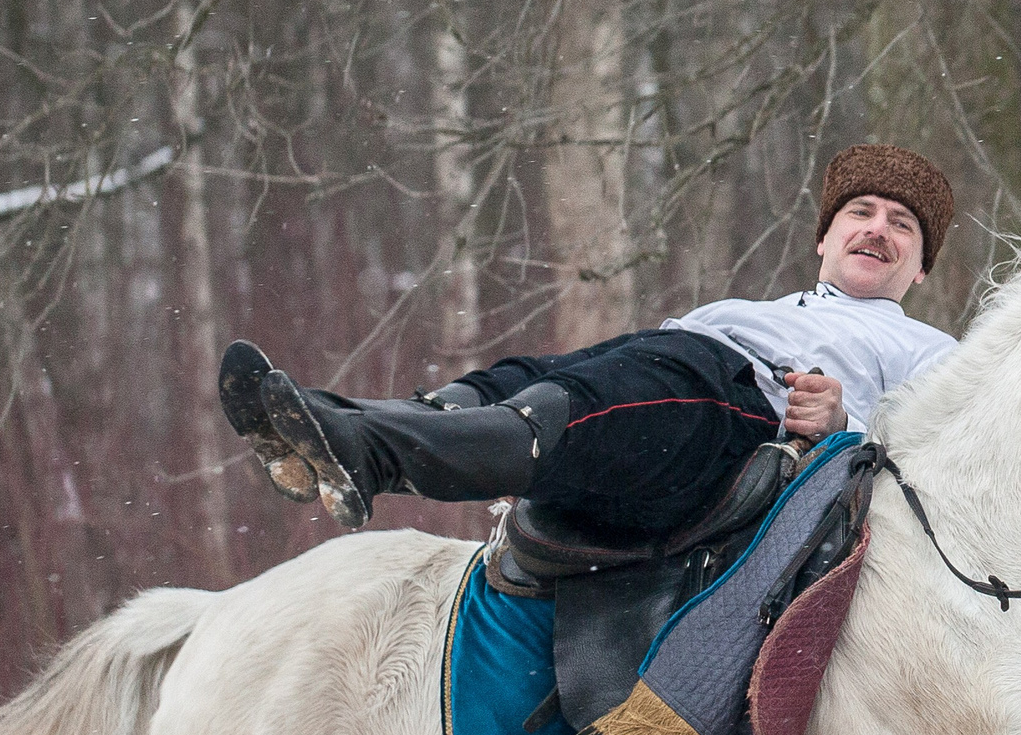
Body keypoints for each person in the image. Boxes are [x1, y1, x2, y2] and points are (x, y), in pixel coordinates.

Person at [222, 144, 961, 534]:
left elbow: (947, 477)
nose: (877, 228)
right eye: (860, 211)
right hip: (672, 358)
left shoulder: (934, 352)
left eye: (902, 224)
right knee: (515, 377)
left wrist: (844, 426)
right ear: (823, 239)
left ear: (921, 267)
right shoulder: (767, 303)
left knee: (564, 409)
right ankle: (327, 421)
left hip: (741, 403)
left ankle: (371, 458)